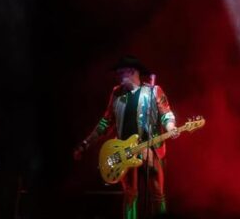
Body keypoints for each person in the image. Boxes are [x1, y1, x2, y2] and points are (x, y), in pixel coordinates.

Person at [74, 55, 177, 219]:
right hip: (125, 151)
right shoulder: (116, 93)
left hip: (150, 150)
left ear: (133, 71)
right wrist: (85, 143)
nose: (118, 76)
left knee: (157, 193)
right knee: (130, 195)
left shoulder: (153, 91)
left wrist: (171, 126)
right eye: (118, 73)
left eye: (121, 72)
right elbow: (105, 123)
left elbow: (166, 113)